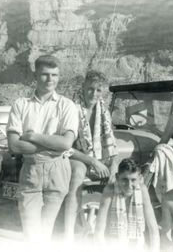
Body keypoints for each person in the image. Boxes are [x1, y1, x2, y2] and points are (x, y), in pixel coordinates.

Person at [6, 55, 79, 241]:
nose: (50, 79)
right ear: (35, 75)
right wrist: (51, 144)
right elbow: (14, 145)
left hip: (58, 170)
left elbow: (65, 144)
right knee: (31, 233)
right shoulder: (21, 105)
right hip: (31, 169)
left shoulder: (67, 106)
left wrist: (32, 137)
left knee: (46, 232)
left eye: (54, 75)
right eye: (45, 74)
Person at [64, 70, 119, 240]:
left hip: (96, 157)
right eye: (89, 89)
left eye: (98, 90)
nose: (93, 94)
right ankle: (68, 232)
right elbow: (66, 147)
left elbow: (112, 145)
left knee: (119, 178)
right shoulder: (72, 109)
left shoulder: (103, 111)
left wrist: (114, 166)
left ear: (102, 92)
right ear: (83, 88)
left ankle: (107, 229)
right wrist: (93, 161)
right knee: (79, 172)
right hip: (73, 156)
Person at [94, 158, 159, 251]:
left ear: (140, 178)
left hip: (137, 246)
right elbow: (99, 230)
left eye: (133, 180)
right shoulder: (109, 190)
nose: (129, 185)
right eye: (124, 179)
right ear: (117, 177)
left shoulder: (142, 190)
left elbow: (153, 228)